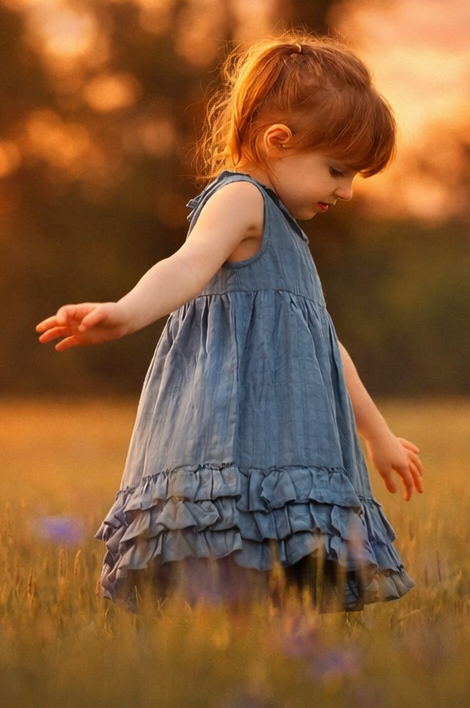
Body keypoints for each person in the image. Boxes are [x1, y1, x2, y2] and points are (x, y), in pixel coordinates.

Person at [34, 32, 424, 615]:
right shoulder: (242, 199)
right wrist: (126, 312)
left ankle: (284, 666)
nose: (345, 190)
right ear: (278, 141)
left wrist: (377, 434)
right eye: (337, 169)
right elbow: (186, 266)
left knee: (297, 580)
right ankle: (227, 655)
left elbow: (325, 346)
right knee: (230, 565)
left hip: (291, 446)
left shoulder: (289, 231)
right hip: (235, 440)